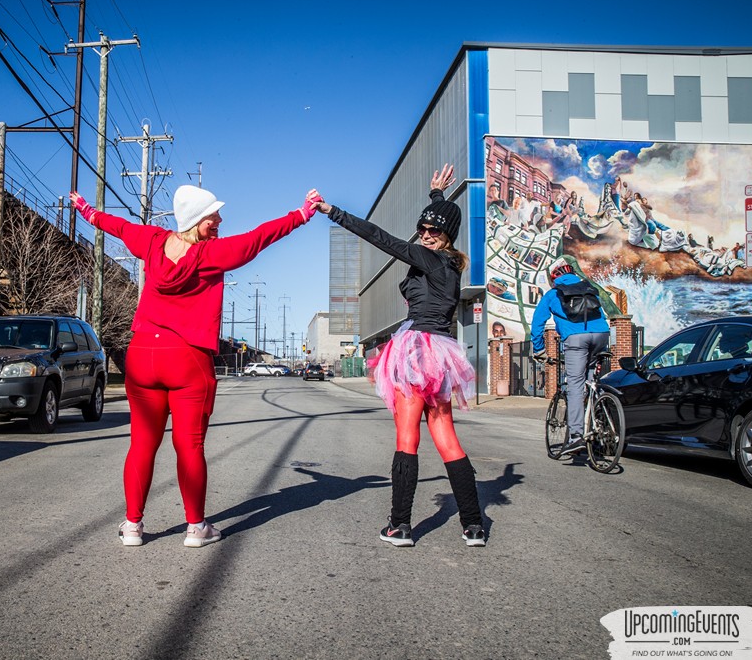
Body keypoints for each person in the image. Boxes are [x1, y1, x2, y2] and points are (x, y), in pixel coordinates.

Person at [69, 185, 321, 548]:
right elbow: (258, 238)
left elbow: (118, 227)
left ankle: (132, 526)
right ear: (197, 221)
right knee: (189, 446)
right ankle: (195, 527)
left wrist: (87, 211)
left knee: (141, 444)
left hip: (141, 354)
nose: (220, 220)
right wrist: (300, 215)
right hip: (186, 357)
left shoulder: (152, 241)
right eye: (213, 216)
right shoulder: (212, 254)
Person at [312, 164, 485, 548]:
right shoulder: (450, 265)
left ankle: (400, 526)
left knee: (407, 437)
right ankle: (474, 526)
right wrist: (437, 197)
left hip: (415, 353)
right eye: (423, 230)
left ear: (446, 236)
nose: (425, 236)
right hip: (440, 357)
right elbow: (436, 229)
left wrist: (333, 212)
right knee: (447, 440)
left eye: (433, 232)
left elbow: (382, 239)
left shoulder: (430, 259)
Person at [530, 259, 611, 456]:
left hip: (576, 340)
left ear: (554, 278)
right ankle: (598, 425)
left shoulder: (553, 294)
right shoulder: (588, 288)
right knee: (589, 381)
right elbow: (600, 313)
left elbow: (537, 324)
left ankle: (576, 437)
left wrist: (539, 350)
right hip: (602, 335)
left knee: (575, 385)